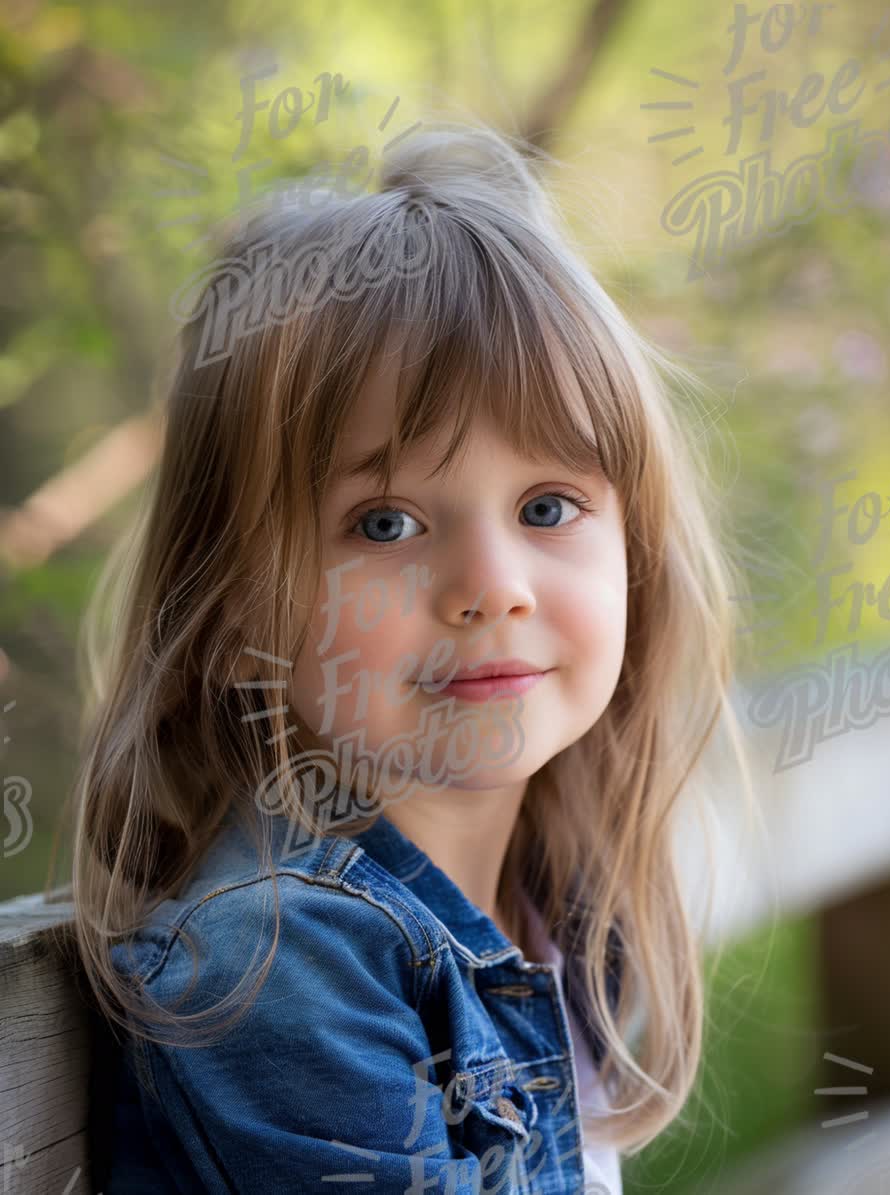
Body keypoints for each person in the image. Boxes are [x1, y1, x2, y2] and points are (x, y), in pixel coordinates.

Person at [69, 120, 754, 1193]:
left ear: (636, 548)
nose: (492, 585)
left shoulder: (556, 903)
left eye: (548, 505)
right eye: (385, 523)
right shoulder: (282, 961)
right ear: (237, 597)